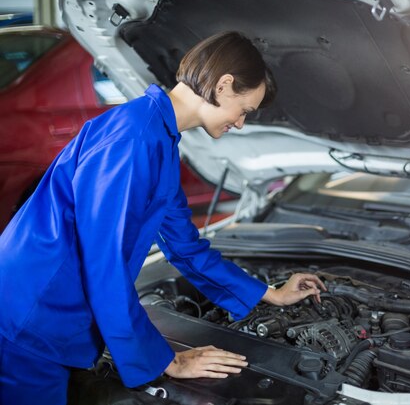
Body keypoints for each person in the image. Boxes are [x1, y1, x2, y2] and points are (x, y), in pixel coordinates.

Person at [0, 31, 326, 405]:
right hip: (29, 318)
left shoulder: (159, 137)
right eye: (245, 111)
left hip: (53, 310)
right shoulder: (134, 140)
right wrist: (167, 361)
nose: (240, 124)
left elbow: (185, 247)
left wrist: (270, 293)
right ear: (223, 86)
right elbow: (105, 266)